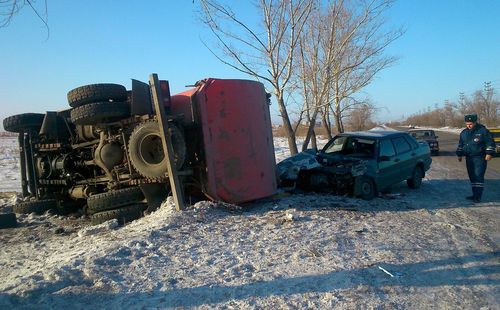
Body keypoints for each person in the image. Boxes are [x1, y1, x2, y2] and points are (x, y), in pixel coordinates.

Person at [456, 114, 496, 203]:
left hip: (479, 158)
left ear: (475, 122)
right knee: (472, 177)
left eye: (470, 124)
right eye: (467, 124)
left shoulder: (482, 131)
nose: (468, 126)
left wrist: (489, 153)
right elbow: (461, 145)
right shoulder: (464, 133)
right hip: (469, 158)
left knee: (478, 176)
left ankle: (478, 196)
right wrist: (459, 154)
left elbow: (490, 143)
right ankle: (474, 194)